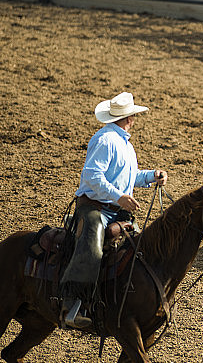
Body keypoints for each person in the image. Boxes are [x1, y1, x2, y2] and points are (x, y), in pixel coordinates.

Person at [60, 92, 168, 329]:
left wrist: (152, 176)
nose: (134, 119)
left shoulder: (124, 144)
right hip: (94, 207)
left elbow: (128, 177)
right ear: (129, 117)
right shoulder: (105, 140)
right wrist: (119, 197)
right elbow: (92, 177)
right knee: (92, 248)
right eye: (133, 116)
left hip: (115, 209)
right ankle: (72, 305)